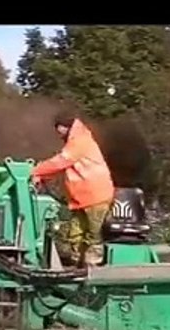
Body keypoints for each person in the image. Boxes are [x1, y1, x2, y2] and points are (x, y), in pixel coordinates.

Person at [32, 112, 116, 267]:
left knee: (92, 234)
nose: (57, 134)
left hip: (95, 196)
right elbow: (62, 166)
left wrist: (35, 171)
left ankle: (92, 269)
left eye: (58, 129)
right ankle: (77, 267)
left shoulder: (80, 141)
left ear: (64, 127)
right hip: (82, 199)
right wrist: (42, 175)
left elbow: (61, 162)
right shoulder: (75, 141)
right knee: (75, 233)